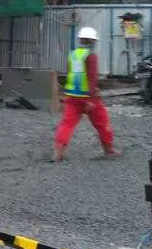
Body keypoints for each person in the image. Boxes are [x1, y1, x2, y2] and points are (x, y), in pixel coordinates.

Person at [52, 27, 121, 162]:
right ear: (92, 41)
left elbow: (70, 75)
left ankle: (58, 153)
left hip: (72, 96)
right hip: (88, 97)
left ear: (80, 40)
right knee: (102, 122)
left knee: (66, 124)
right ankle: (109, 150)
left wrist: (64, 94)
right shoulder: (91, 56)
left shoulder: (73, 55)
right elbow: (92, 78)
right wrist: (90, 99)